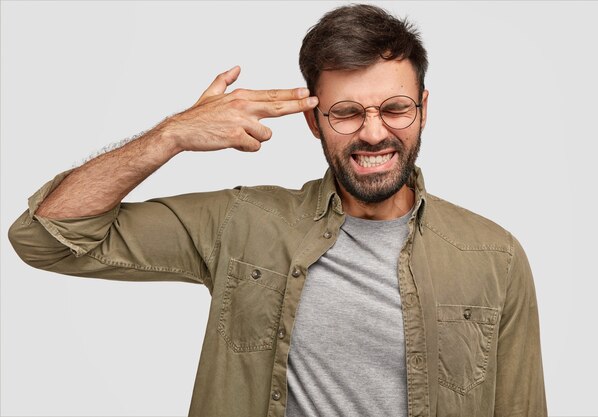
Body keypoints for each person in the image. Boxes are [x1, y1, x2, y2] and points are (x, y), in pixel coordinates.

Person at [8, 4, 547, 417]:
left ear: (423, 109)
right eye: (347, 113)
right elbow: (46, 236)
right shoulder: (242, 225)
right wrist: (170, 135)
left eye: (395, 108)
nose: (375, 132)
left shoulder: (494, 256)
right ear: (313, 121)